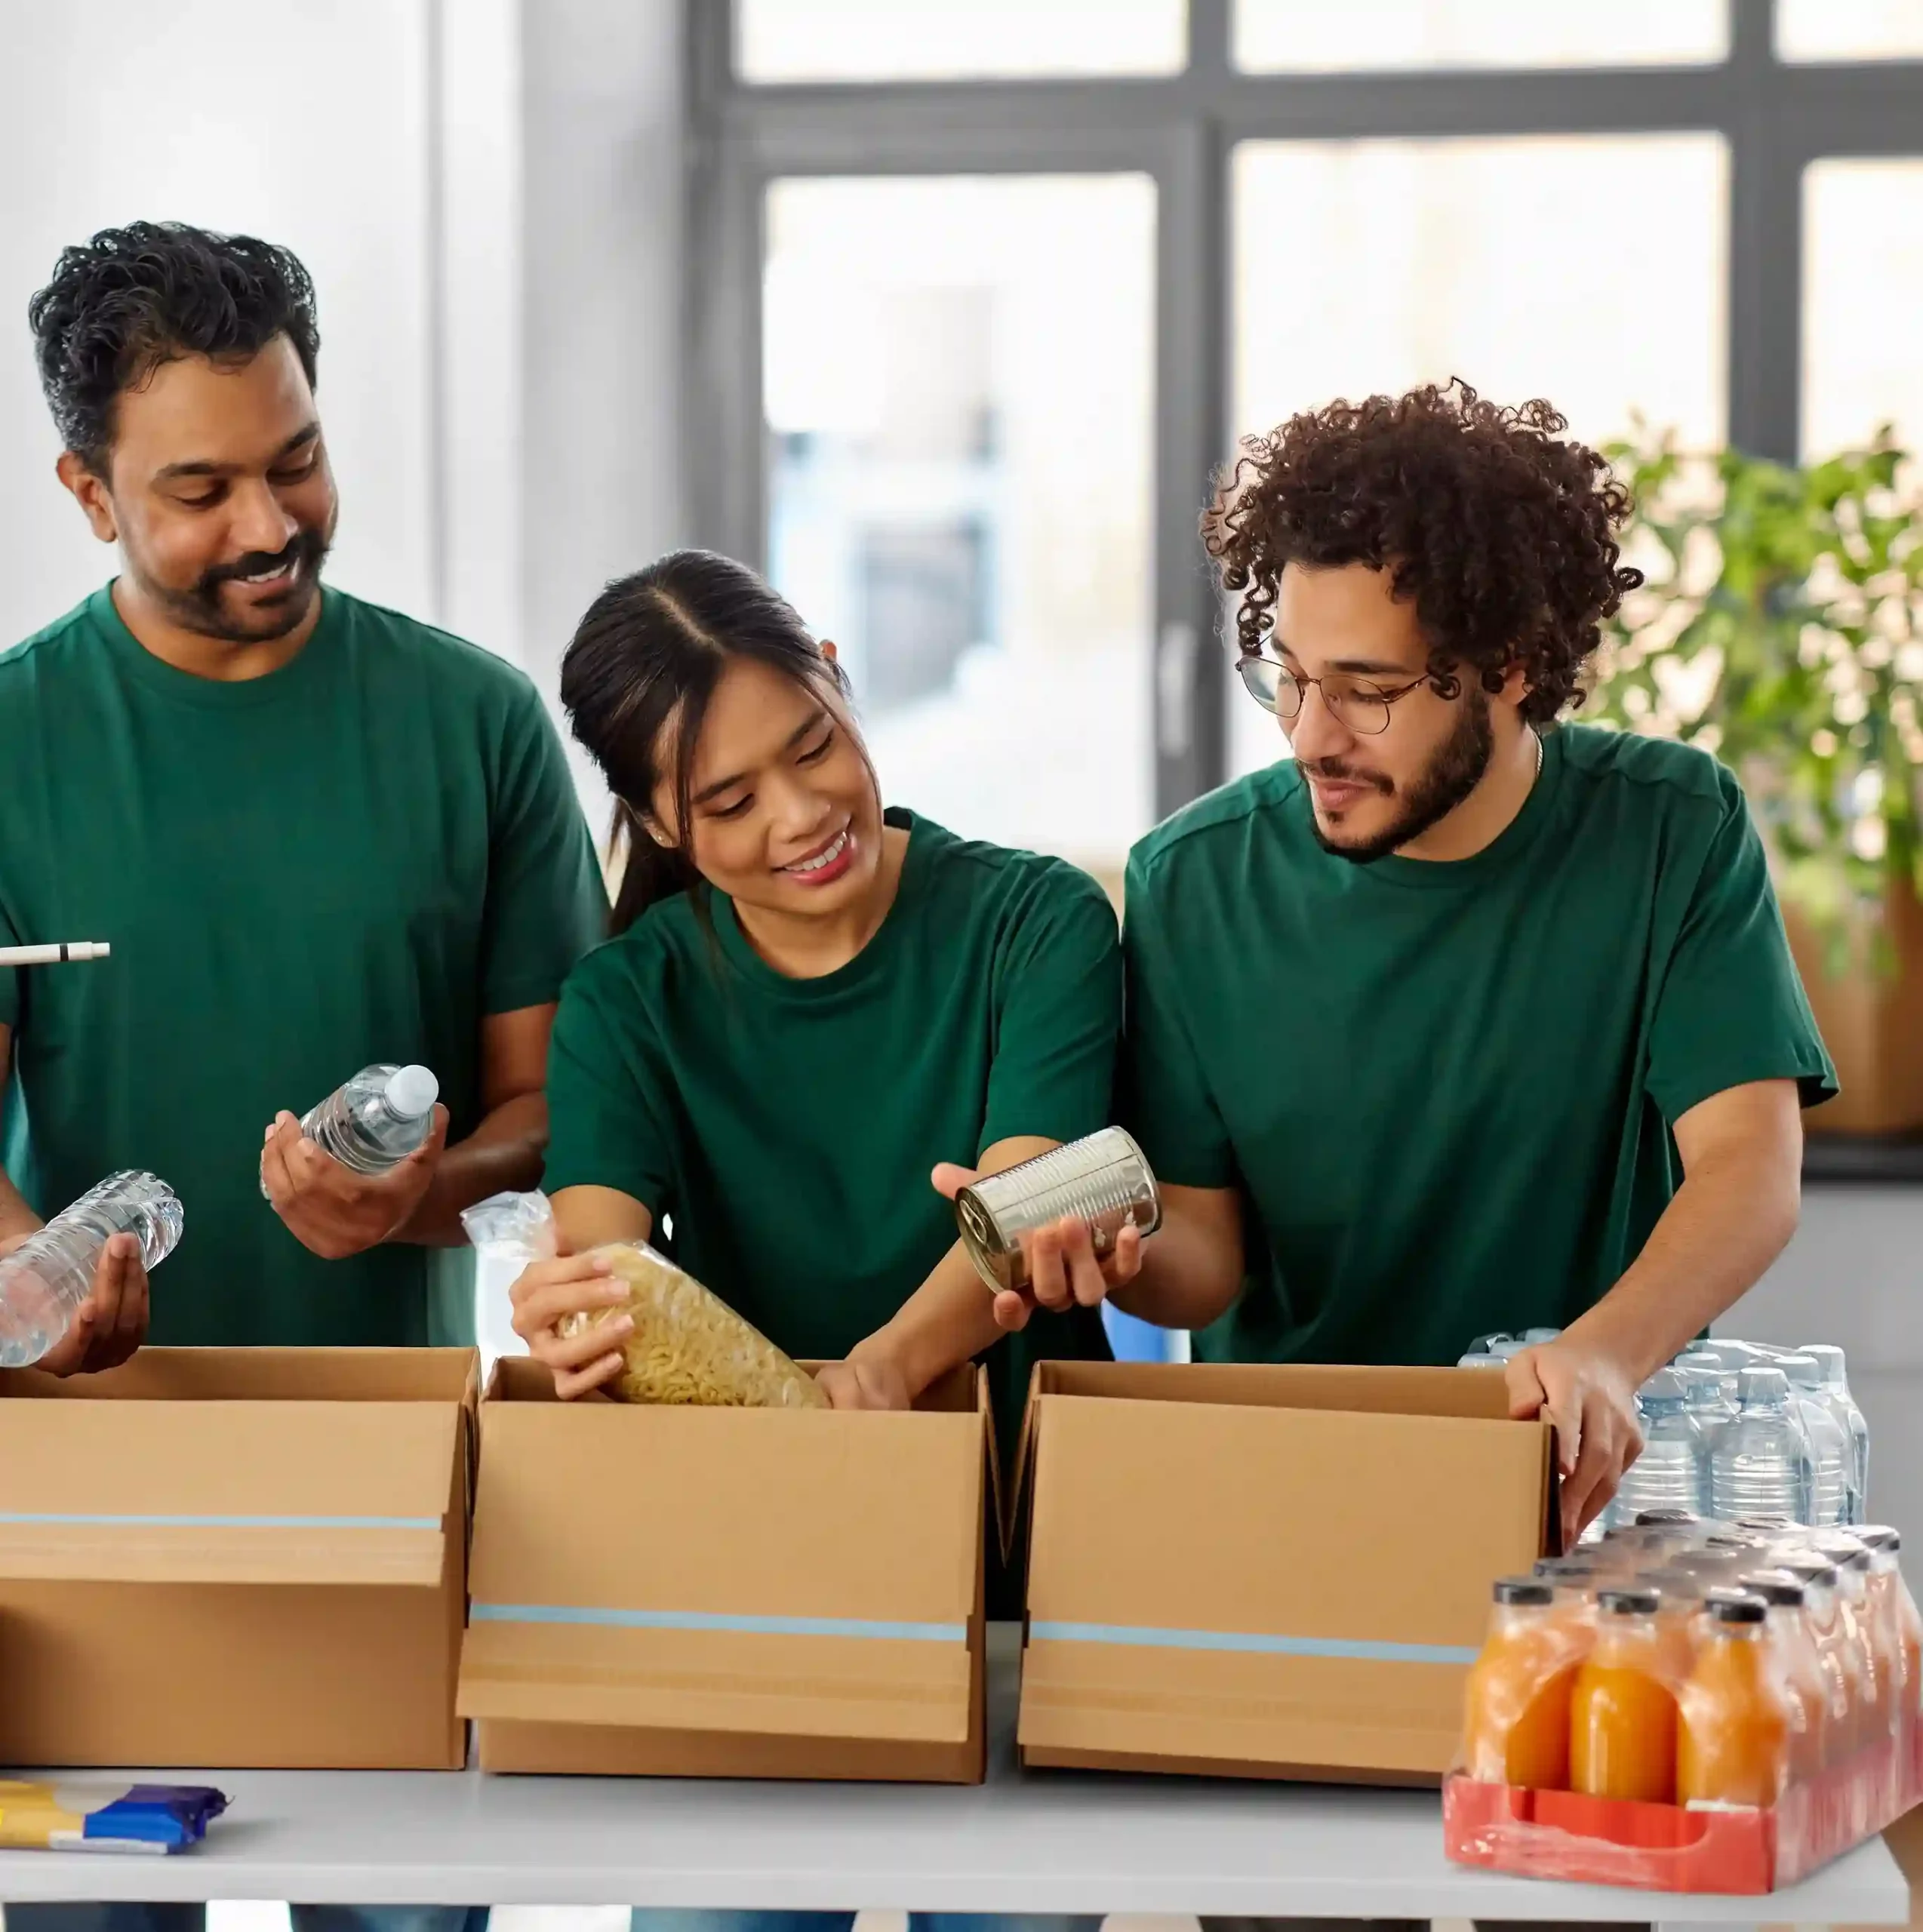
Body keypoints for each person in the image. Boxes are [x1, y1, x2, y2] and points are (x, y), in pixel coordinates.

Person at [959, 380, 1835, 1561]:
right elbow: (1205, 1264)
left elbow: (1748, 1167)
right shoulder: (1192, 880)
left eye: (1368, 692)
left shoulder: (1671, 831)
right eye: (1291, 677)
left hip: (1586, 1498)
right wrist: (1114, 1256)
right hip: (1300, 1497)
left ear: (1513, 665)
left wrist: (1606, 1349)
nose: (1313, 734)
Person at [0, 221, 605, 1932]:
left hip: (386, 1474)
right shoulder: (11, 748)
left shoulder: (471, 725)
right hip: (89, 1475)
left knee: (411, 1914)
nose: (268, 527)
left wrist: (431, 1189)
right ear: (86, 490)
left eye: (300, 461)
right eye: (199, 487)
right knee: (97, 1916)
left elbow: (552, 1103)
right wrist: (33, 1290)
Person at [507, 548, 1117, 1932]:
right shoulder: (626, 1003)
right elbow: (602, 1256)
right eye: (728, 800)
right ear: (655, 818)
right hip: (761, 1586)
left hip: (1028, 1575)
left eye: (812, 745)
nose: (800, 815)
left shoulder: (1037, 922)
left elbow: (1022, 1211)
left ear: (839, 676)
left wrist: (886, 1372)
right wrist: (576, 1316)